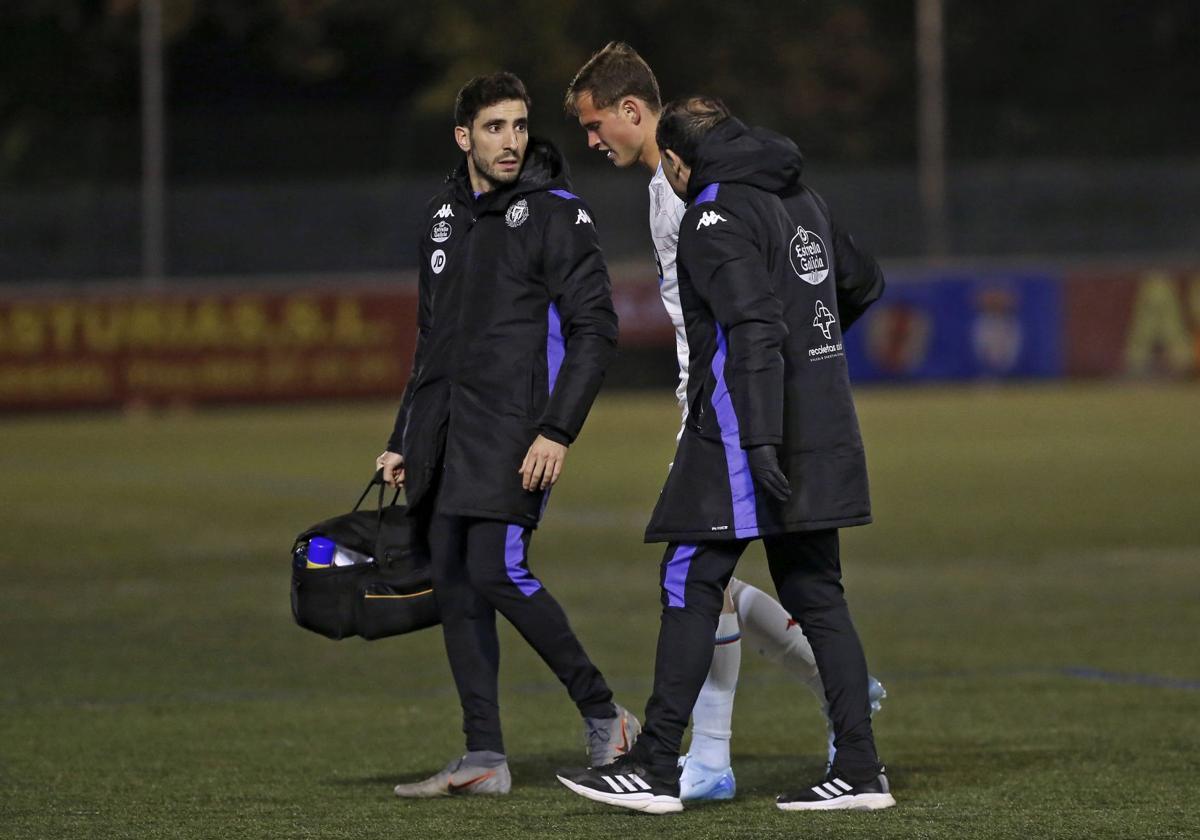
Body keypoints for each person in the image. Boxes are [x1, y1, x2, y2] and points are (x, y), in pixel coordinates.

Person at [563, 42, 885, 803]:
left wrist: (751, 411)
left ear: (639, 116)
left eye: (593, 122)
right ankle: (821, 750)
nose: (589, 140)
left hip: (739, 410)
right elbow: (851, 283)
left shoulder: (700, 196)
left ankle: (679, 759)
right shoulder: (780, 186)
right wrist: (812, 362)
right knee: (793, 586)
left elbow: (749, 322)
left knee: (695, 574)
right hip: (777, 404)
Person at [377, 71, 638, 798]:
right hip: (449, 435)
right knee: (457, 580)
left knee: (497, 569)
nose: (511, 141)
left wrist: (557, 429)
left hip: (518, 433)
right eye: (494, 128)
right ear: (464, 137)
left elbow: (596, 329)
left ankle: (604, 714)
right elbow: (433, 340)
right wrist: (406, 435)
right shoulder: (442, 218)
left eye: (519, 126)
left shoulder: (555, 213)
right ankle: (483, 756)